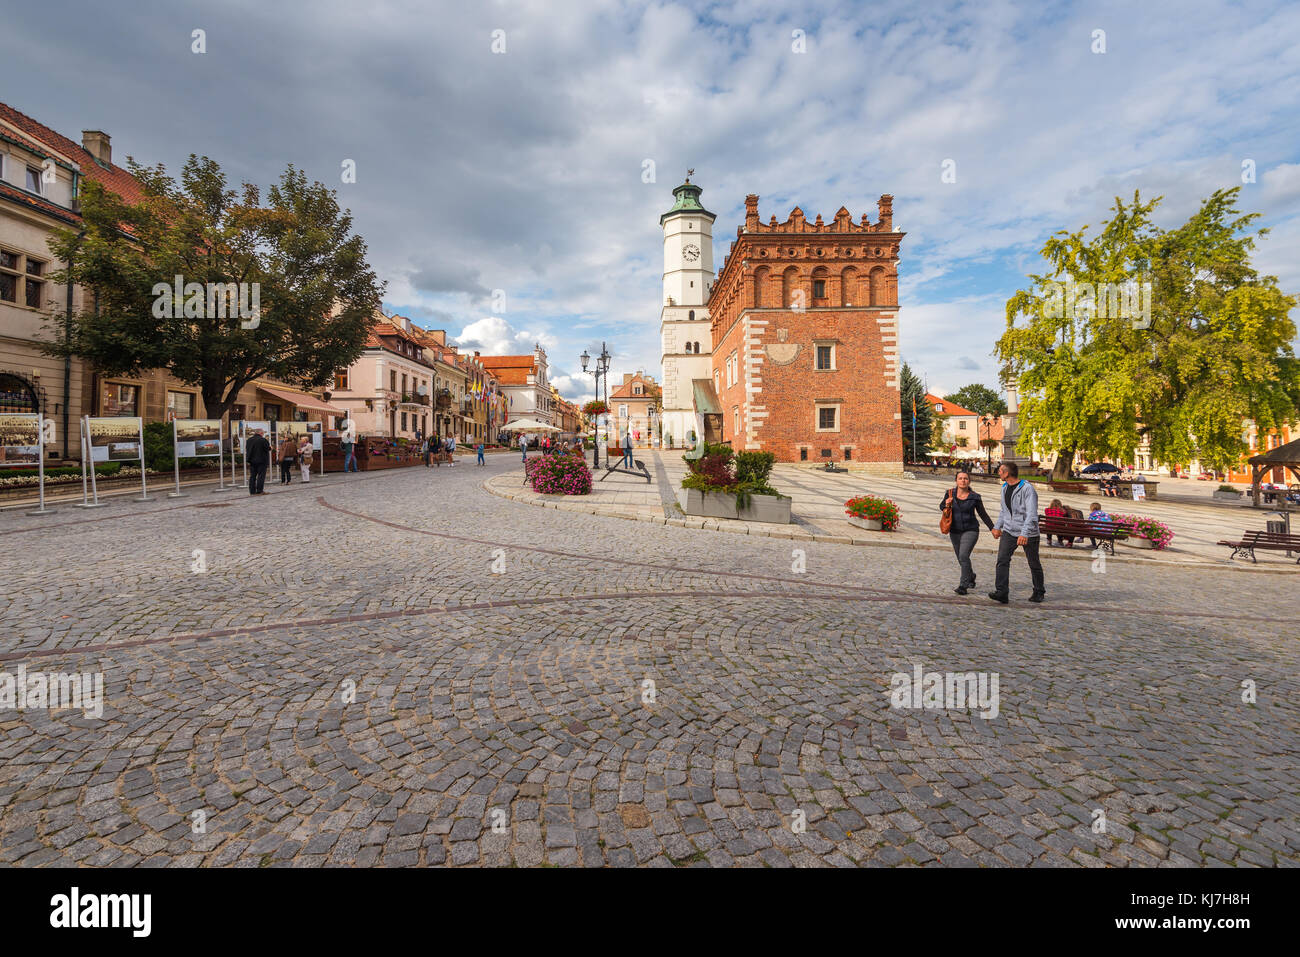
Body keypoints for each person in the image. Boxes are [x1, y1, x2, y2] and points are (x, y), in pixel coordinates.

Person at [989, 461, 1045, 604]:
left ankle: (1039, 591)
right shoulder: (1004, 488)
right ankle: (1002, 592)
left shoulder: (1027, 489)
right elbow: (1004, 511)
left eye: (1000, 471)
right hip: (1009, 530)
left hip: (1028, 532)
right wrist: (997, 527)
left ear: (1007, 473)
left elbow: (1031, 514)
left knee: (1033, 563)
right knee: (1002, 560)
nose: (999, 473)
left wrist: (1024, 533)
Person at [941, 469, 995, 595]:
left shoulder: (975, 497)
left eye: (965, 478)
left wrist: (992, 528)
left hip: (971, 530)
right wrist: (946, 503)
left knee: (963, 556)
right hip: (954, 530)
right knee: (961, 558)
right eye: (960, 478)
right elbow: (941, 507)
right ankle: (971, 576)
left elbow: (983, 514)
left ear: (969, 481)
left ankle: (963, 585)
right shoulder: (949, 493)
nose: (963, 480)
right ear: (956, 481)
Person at [245, 428, 271, 494]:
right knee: (261, 476)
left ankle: (252, 491)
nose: (263, 434)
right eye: (263, 433)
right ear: (260, 433)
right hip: (261, 461)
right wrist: (271, 448)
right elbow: (267, 448)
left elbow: (248, 449)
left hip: (252, 461)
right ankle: (259, 490)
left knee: (252, 476)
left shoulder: (249, 440)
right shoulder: (263, 440)